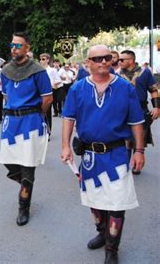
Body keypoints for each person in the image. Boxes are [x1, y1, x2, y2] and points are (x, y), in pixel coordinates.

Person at [61, 45, 145, 264]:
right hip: (89, 156)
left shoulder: (125, 88)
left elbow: (136, 122)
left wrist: (138, 151)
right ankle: (102, 231)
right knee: (95, 200)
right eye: (97, 58)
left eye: (107, 57)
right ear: (88, 62)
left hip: (117, 153)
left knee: (117, 202)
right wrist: (65, 146)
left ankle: (112, 247)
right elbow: (68, 118)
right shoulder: (77, 88)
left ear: (112, 60)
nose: (103, 62)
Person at [0, 32, 52, 226]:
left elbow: (47, 99)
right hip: (11, 123)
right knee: (8, 161)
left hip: (31, 122)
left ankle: (24, 206)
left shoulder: (38, 71)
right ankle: (25, 184)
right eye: (12, 45)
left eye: (18, 45)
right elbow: (6, 96)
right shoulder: (5, 71)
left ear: (27, 48)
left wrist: (34, 114)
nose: (14, 48)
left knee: (27, 166)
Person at [118, 49, 159, 175]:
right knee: (125, 139)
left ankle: (137, 164)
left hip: (141, 109)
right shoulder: (117, 74)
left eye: (122, 60)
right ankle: (124, 165)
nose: (119, 62)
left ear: (131, 60)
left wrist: (157, 107)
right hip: (123, 111)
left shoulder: (145, 72)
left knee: (139, 137)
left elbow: (153, 90)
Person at [39, 53, 59, 134]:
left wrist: (52, 84)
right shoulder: (38, 70)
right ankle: (41, 130)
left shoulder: (52, 70)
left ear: (47, 60)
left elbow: (58, 80)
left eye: (43, 59)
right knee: (39, 112)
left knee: (47, 112)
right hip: (39, 93)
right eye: (40, 59)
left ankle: (48, 131)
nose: (41, 61)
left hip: (48, 92)